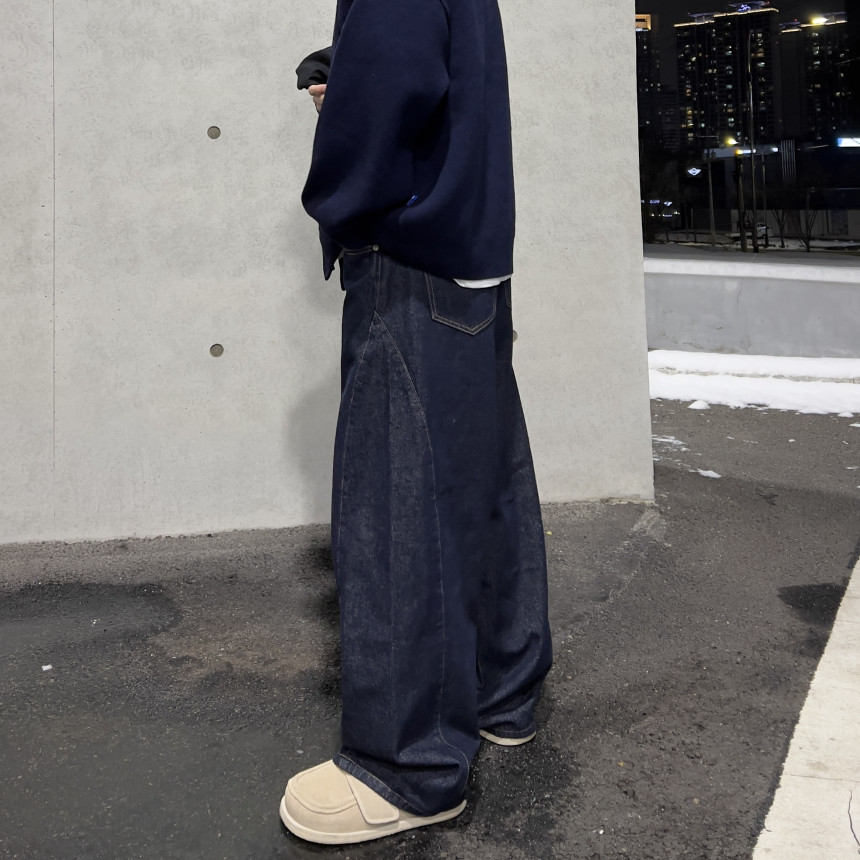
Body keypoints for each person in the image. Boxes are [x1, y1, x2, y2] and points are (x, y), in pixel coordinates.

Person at [279, 0, 553, 845]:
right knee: (484, 478)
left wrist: (338, 194)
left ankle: (409, 764)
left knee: (397, 504)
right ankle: (505, 692)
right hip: (471, 252)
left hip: (411, 257)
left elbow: (387, 96)